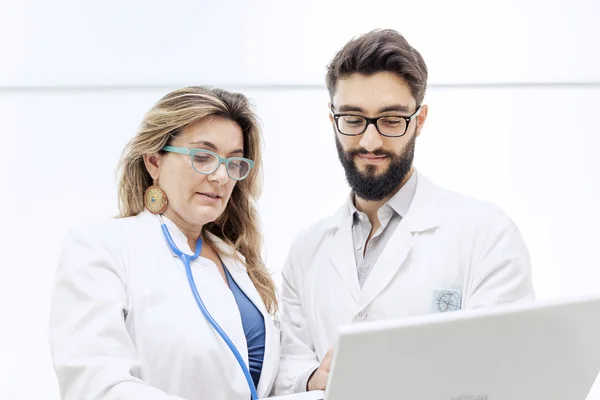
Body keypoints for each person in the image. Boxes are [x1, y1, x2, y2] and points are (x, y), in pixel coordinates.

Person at [273, 29, 535, 395]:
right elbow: (288, 368)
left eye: (392, 120)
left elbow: (508, 371)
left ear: (420, 120)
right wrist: (316, 378)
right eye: (352, 119)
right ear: (332, 119)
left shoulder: (487, 233)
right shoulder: (307, 249)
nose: (370, 141)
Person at [48, 86, 280, 400]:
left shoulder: (238, 261)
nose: (221, 177)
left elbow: (258, 382)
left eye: (233, 163)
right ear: (154, 161)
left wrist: (308, 381)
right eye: (202, 156)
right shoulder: (102, 247)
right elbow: (95, 385)